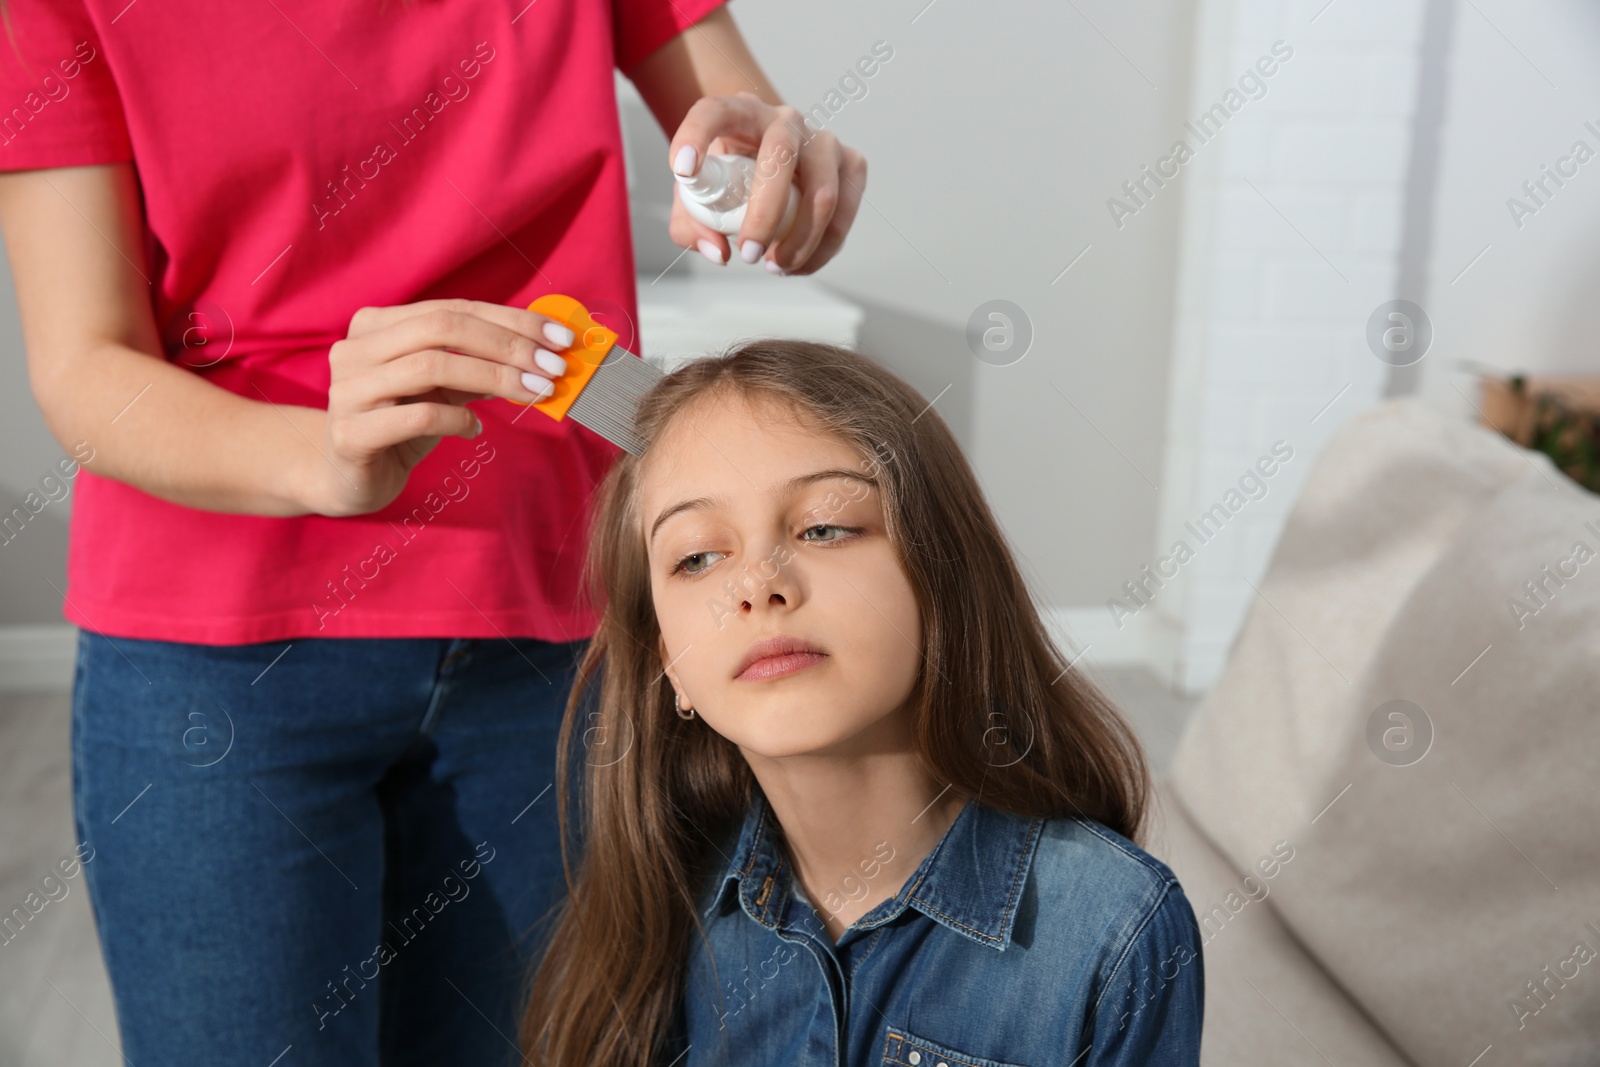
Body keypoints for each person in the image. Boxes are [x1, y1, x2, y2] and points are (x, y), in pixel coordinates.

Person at [0, 0, 864, 1062]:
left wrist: (778, 170)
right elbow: (84, 364)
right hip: (214, 664)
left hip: (551, 634)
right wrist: (317, 455)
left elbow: (742, 137)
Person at [521, 340, 1206, 1065]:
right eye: (697, 556)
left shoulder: (1114, 925)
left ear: (941, 577)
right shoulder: (665, 905)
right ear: (672, 669)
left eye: (823, 527)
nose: (757, 583)